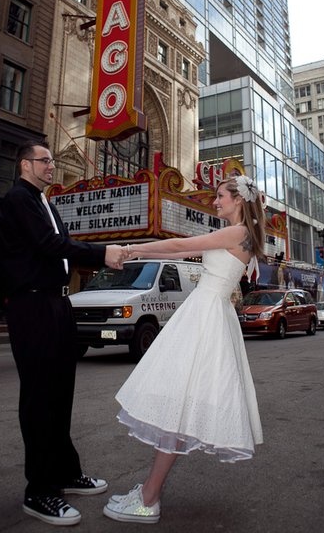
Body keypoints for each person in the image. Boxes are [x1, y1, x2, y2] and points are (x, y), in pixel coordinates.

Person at [103, 175, 266, 524]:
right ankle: (150, 491)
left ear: (238, 200)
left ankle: (148, 498)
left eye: (220, 196)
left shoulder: (238, 232)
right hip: (208, 313)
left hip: (204, 316)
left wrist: (132, 250)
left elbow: (180, 247)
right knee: (175, 406)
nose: (215, 202)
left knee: (176, 405)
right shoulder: (243, 235)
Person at [0, 140, 126, 526]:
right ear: (24, 165)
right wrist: (103, 254)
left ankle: (65, 473)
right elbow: (50, 245)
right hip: (31, 306)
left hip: (57, 304)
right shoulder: (19, 200)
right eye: (45, 160)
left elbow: (61, 250)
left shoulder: (46, 203)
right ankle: (39, 491)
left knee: (60, 395)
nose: (51, 166)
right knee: (38, 399)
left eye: (53, 161)